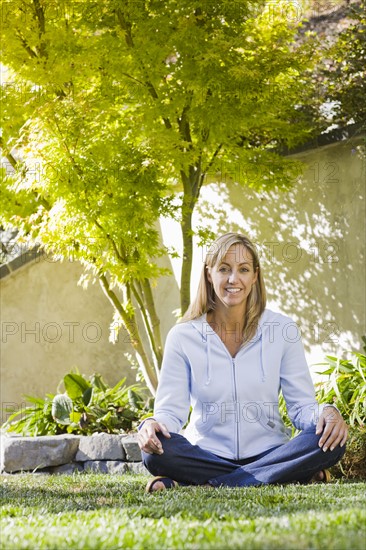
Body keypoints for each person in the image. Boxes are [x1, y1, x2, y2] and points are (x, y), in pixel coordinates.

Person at [137, 232, 348, 492]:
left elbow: (301, 408)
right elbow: (170, 413)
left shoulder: (282, 330)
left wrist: (326, 413)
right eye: (224, 269)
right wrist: (150, 426)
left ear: (255, 276)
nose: (233, 279)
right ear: (209, 274)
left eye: (243, 269)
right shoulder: (183, 336)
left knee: (331, 441)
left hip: (269, 451)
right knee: (155, 452)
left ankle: (206, 484)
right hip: (206, 455)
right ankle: (279, 475)